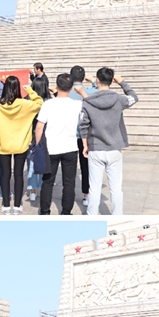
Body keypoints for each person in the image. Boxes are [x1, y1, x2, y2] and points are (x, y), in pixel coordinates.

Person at [79, 67, 138, 215]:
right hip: (114, 148)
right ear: (112, 81)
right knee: (116, 188)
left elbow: (83, 126)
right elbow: (133, 97)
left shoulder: (88, 102)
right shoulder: (119, 99)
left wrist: (85, 145)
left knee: (94, 188)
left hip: (95, 148)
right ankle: (117, 215)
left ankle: (92, 215)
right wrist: (122, 82)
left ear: (97, 80)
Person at [0, 76, 43, 215]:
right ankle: (18, 205)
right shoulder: (25, 104)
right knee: (19, 174)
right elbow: (40, 103)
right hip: (21, 144)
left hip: (4, 144)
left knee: (5, 175)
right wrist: (30, 91)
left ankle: (6, 205)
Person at [35, 73, 82, 215]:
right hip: (70, 147)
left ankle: (45, 211)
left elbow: (39, 127)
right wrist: (82, 92)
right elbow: (91, 102)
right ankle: (66, 212)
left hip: (51, 147)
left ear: (56, 86)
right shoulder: (77, 104)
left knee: (48, 181)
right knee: (69, 183)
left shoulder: (48, 104)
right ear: (71, 88)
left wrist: (38, 146)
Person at [69, 66, 98, 207]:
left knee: (69, 167)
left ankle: (68, 195)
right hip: (85, 134)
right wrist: (93, 81)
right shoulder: (91, 92)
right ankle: (86, 195)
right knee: (86, 165)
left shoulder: (66, 92)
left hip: (69, 135)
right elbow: (101, 90)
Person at [26, 75, 50, 204]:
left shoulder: (27, 101)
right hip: (46, 136)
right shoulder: (49, 102)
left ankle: (33, 191)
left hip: (30, 135)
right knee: (46, 162)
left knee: (31, 163)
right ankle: (43, 187)